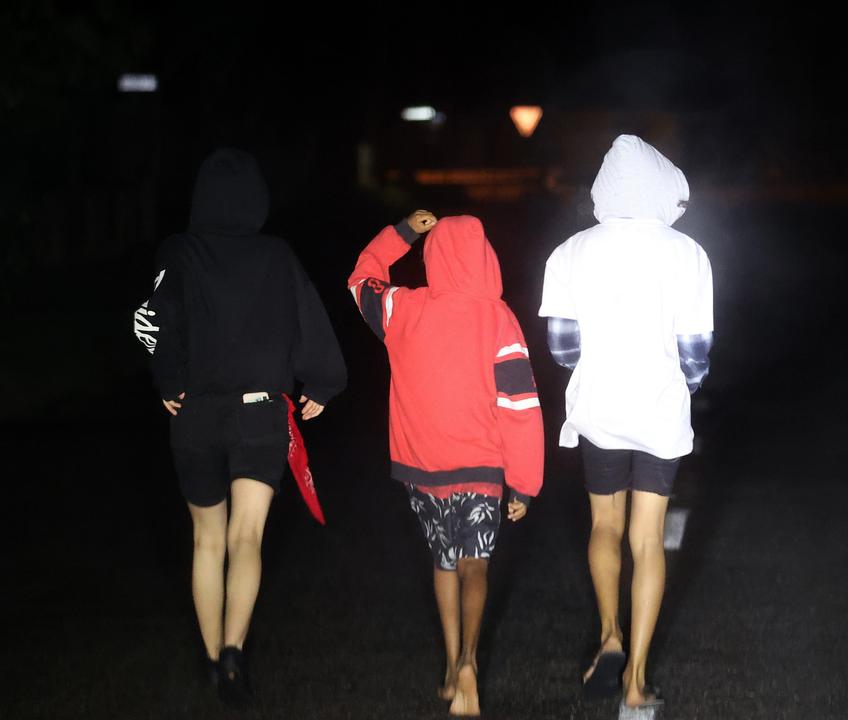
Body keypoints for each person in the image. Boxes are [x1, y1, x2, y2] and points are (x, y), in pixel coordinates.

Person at [133, 148, 347, 703]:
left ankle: (210, 660)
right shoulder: (277, 256)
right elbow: (309, 320)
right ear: (257, 199)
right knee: (246, 537)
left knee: (207, 539)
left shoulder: (178, 252)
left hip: (196, 415)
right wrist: (320, 383)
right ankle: (234, 650)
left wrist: (169, 382)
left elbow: (150, 322)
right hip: (259, 413)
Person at [539, 135, 714, 717]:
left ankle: (608, 635)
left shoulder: (569, 252)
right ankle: (637, 679)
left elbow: (562, 349)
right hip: (660, 412)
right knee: (648, 536)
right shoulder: (688, 253)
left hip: (600, 410)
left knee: (604, 525)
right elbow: (696, 357)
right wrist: (671, 386)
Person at [348, 211, 544, 717]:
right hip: (481, 464)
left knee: (444, 561)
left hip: (423, 466)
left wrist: (404, 232)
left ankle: (449, 663)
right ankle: (468, 663)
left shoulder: (403, 308)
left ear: (433, 256)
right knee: (476, 561)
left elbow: (361, 280)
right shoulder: (498, 317)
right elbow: (519, 404)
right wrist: (523, 483)